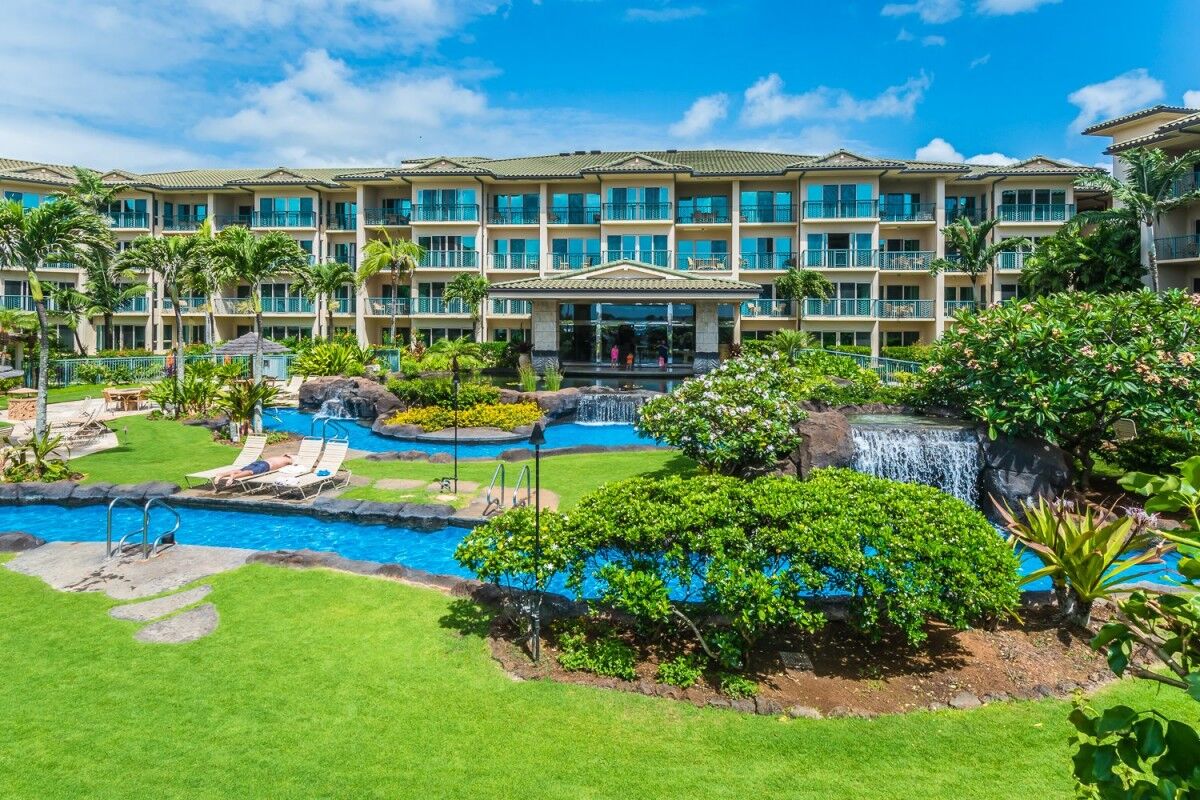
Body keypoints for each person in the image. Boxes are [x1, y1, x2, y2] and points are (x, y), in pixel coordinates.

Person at [213, 454, 294, 489]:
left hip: (260, 462)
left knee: (240, 470)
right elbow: (295, 463)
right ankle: (232, 477)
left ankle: (221, 475)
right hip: (265, 466)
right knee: (250, 472)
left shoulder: (279, 457)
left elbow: (286, 455)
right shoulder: (289, 460)